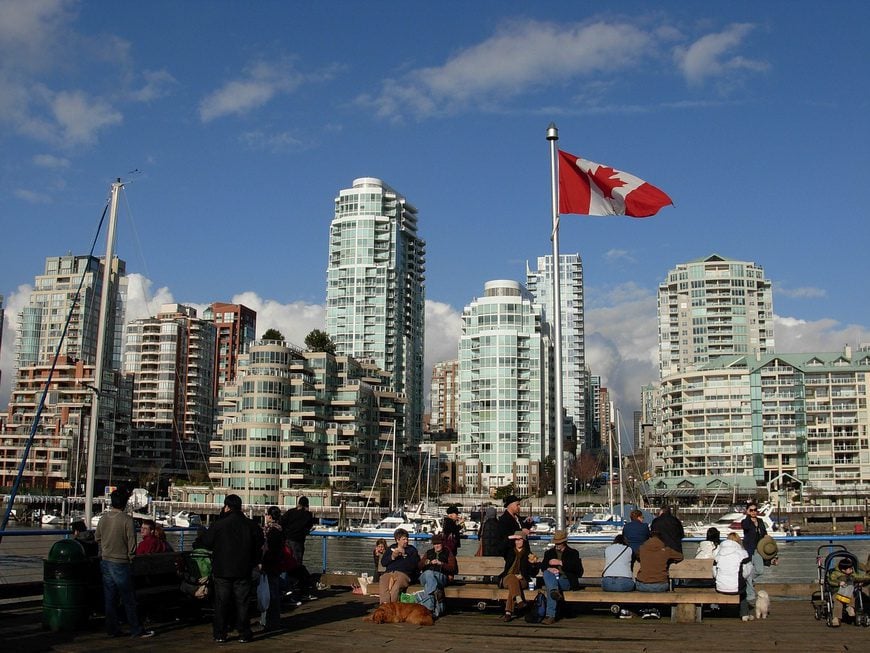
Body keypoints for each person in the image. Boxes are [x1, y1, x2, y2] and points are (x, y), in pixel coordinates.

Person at [200, 494, 264, 644]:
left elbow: (207, 542)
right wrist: (253, 560)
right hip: (243, 569)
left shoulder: (219, 525)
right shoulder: (250, 525)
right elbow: (259, 543)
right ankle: (243, 632)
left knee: (222, 603)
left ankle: (220, 633)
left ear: (227, 506)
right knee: (243, 602)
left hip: (222, 569)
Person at [94, 488, 155, 639]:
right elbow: (132, 544)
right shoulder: (127, 520)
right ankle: (136, 629)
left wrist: (105, 548)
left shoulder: (103, 518)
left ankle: (112, 629)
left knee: (110, 598)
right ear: (124, 503)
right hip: (121, 562)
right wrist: (130, 556)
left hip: (106, 560)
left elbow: (97, 537)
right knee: (129, 599)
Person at [635, 527, 683, 618]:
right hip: (660, 585)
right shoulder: (666, 549)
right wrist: (669, 559)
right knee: (658, 586)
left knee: (645, 585)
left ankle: (647, 609)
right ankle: (654, 610)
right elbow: (680, 556)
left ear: (649, 538)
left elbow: (637, 556)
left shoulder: (642, 548)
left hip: (643, 585)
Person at [539, 530, 583, 624]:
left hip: (566, 580)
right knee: (547, 575)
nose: (557, 545)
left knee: (550, 587)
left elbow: (579, 571)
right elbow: (543, 566)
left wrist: (560, 563)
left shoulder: (573, 553)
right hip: (552, 578)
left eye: (559, 543)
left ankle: (550, 615)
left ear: (564, 542)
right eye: (556, 543)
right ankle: (554, 592)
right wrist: (549, 568)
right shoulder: (549, 553)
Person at [498, 531, 538, 622]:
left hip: (522, 579)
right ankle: (519, 600)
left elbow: (532, 573)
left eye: (519, 540)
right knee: (512, 578)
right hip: (507, 577)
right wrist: (509, 537)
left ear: (524, 541)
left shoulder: (528, 554)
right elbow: (499, 549)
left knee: (514, 586)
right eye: (516, 540)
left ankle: (508, 612)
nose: (517, 542)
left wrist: (533, 565)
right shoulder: (509, 551)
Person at [713, 532, 754, 620]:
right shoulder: (743, 553)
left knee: (730, 585)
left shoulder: (719, 553)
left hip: (720, 586)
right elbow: (747, 572)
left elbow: (714, 572)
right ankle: (744, 614)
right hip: (737, 587)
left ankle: (723, 610)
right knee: (743, 590)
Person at [416, 533, 457, 618]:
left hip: (440, 576)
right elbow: (419, 567)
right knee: (429, 574)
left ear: (442, 544)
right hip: (426, 576)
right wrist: (428, 562)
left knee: (430, 582)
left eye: (438, 544)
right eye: (435, 544)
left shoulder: (448, 553)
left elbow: (453, 568)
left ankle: (429, 610)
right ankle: (433, 608)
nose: (437, 546)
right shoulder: (429, 553)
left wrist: (441, 563)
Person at [259, 506, 285, 631]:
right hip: (277, 563)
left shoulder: (268, 530)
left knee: (266, 593)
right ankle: (274, 620)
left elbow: (264, 548)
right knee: (274, 592)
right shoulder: (280, 529)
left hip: (268, 564)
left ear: (269, 516)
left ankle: (267, 621)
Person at [378, 528, 420, 604]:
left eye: (407, 539)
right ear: (397, 540)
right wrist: (393, 556)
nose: (406, 541)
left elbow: (414, 566)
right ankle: (385, 609)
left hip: (403, 574)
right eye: (404, 539)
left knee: (395, 589)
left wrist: (404, 555)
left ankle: (394, 609)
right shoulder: (391, 548)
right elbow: (383, 563)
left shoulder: (412, 550)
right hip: (389, 573)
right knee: (383, 584)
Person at [827, 557, 870, 627]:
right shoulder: (835, 574)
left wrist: (867, 578)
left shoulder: (852, 574)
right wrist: (838, 583)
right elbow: (830, 580)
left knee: (852, 595)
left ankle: (850, 607)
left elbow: (861, 577)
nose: (852, 570)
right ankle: (836, 618)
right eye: (850, 569)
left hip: (849, 592)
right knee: (838, 602)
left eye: (852, 568)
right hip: (837, 593)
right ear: (843, 570)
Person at [740, 502, 767, 602]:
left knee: (759, 570)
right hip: (749, 550)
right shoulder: (745, 521)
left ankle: (748, 579)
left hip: (759, 549)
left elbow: (764, 534)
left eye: (755, 510)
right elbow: (746, 527)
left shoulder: (760, 521)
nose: (753, 512)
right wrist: (748, 516)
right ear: (748, 511)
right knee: (749, 569)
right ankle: (750, 596)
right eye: (751, 510)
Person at [281, 495, 315, 565]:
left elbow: (282, 522)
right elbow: (309, 525)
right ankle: (295, 575)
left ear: (298, 503)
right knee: (297, 561)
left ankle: (287, 575)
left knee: (286, 559)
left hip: (287, 539)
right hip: (298, 540)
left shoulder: (290, 512)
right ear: (307, 505)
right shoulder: (307, 514)